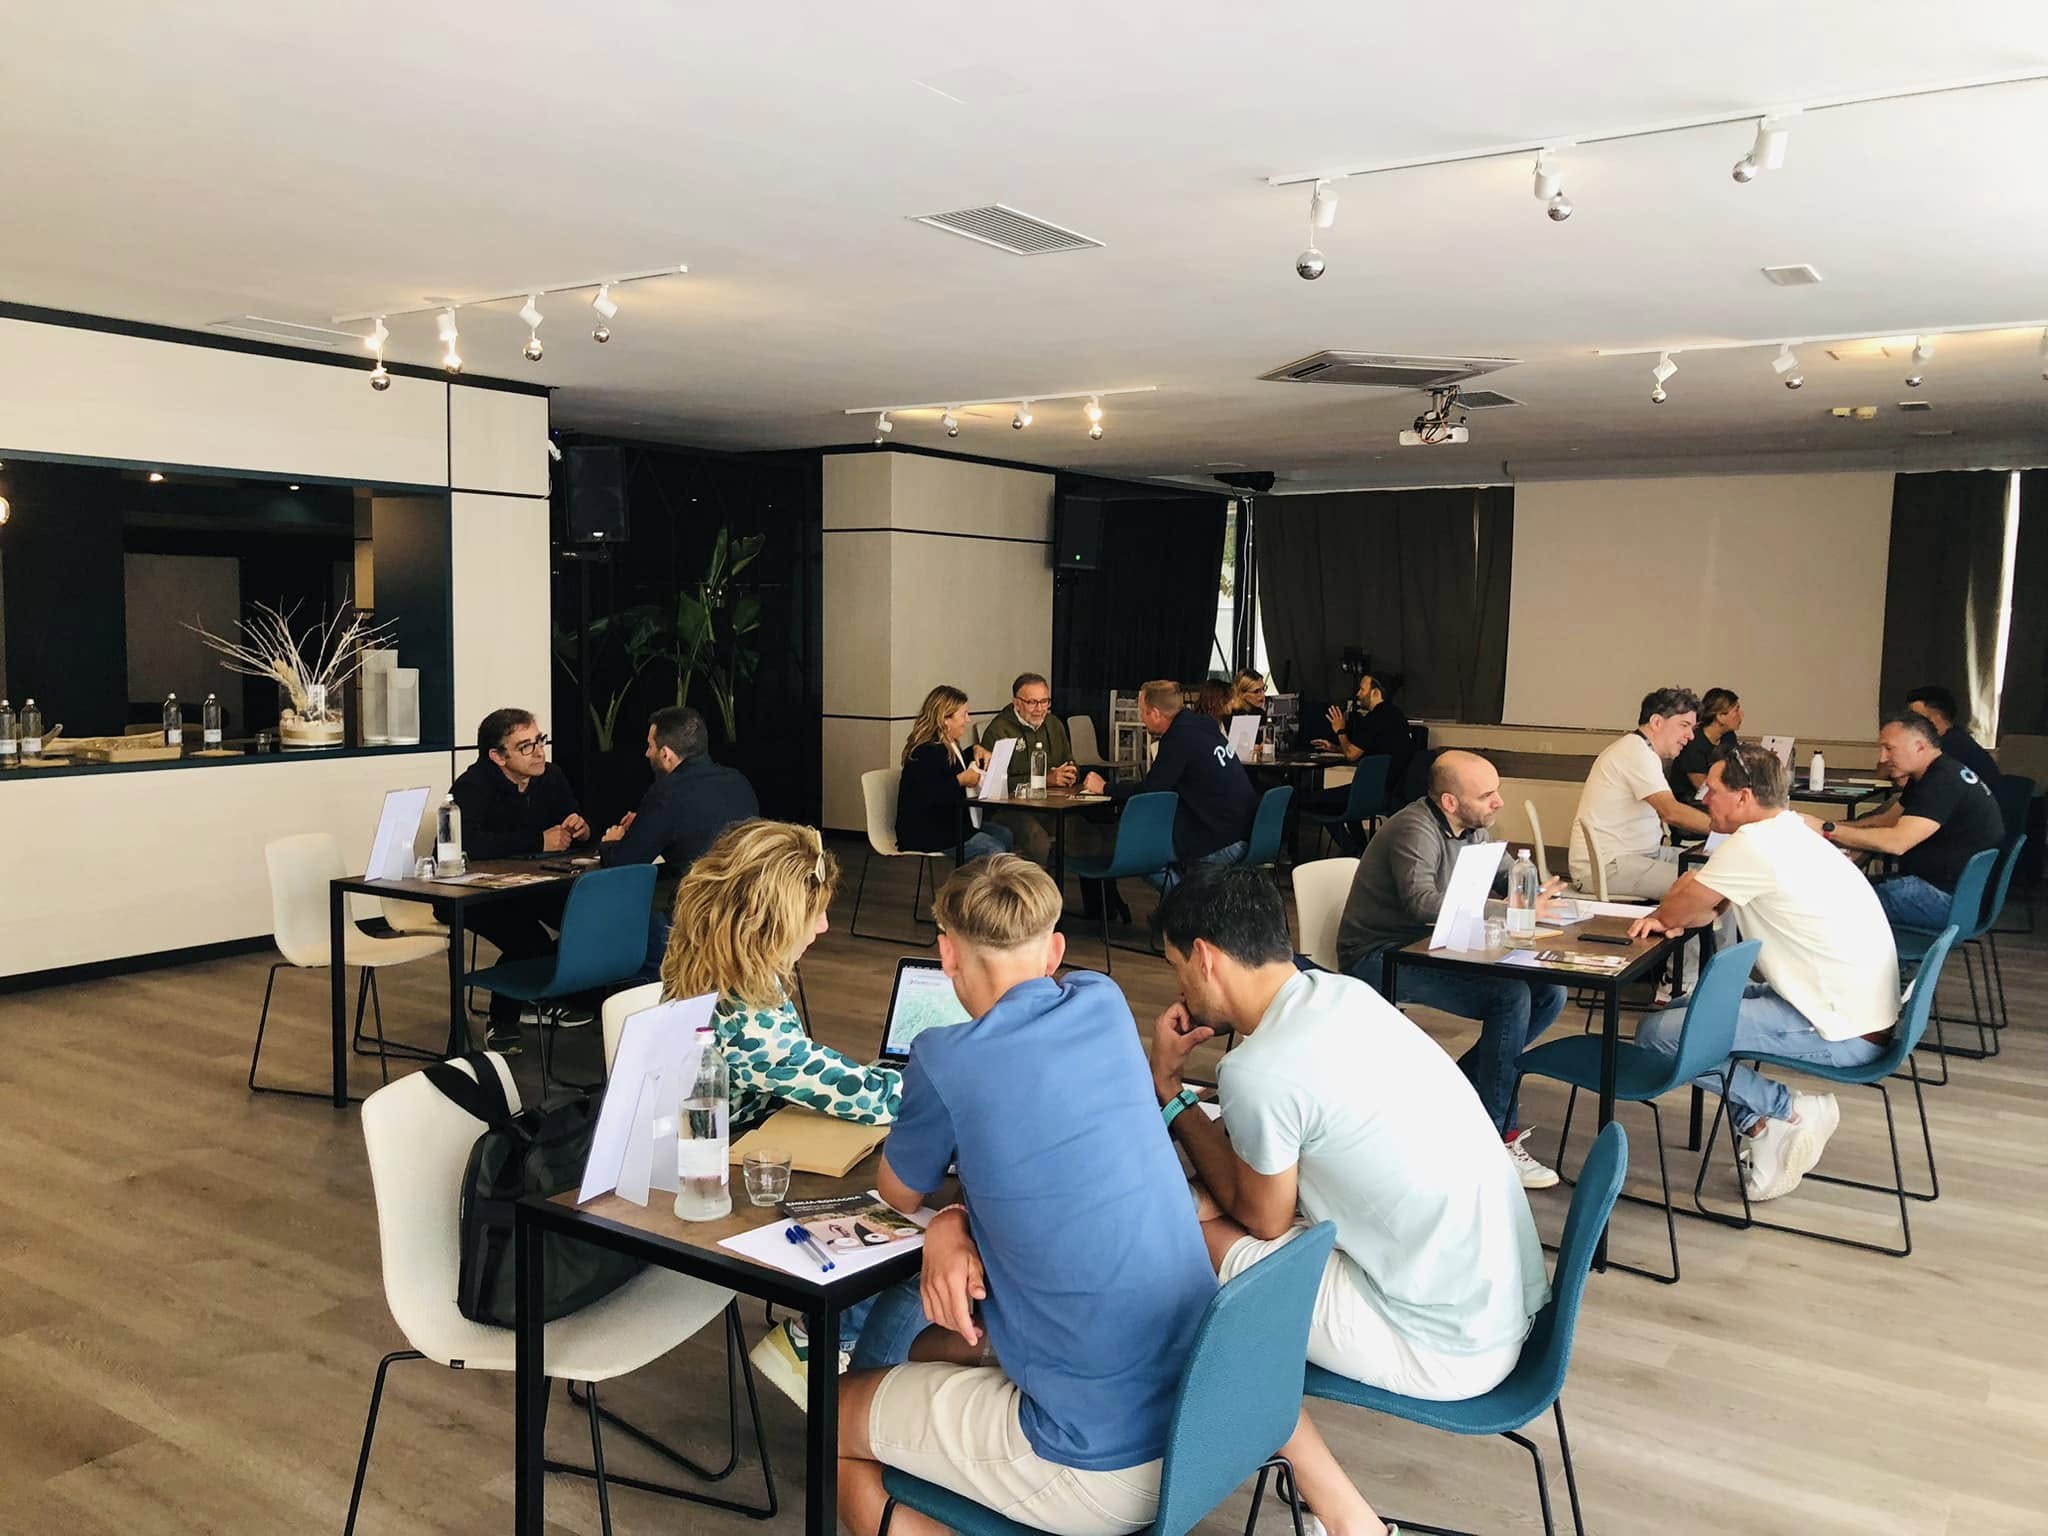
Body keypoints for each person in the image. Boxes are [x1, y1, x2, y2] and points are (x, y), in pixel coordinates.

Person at [835, 855, 1394, 1536]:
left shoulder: (944, 1055)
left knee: (834, 1422)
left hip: (1095, 1463)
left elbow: (898, 1192)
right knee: (942, 1346)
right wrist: (961, 1216)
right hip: (1206, 1420)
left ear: (947, 955)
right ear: (1055, 952)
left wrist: (950, 1214)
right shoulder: (1101, 1000)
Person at [1151, 866, 1550, 1401]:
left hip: (1442, 1347)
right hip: (1497, 1301)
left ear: (1204, 957)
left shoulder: (1258, 1069)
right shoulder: (1344, 994)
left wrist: (1169, 1089)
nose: (1179, 986)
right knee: (1212, 1200)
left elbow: (1264, 1221)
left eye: (1176, 966)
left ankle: (1217, 1401)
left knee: (1186, 1232)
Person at [653, 819, 906, 1401]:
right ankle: (817, 1344)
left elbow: (812, 1070)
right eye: (813, 913)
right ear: (768, 924)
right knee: (906, 1200)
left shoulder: (712, 968)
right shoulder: (749, 1027)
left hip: (726, 1148)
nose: (824, 926)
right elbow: (871, 1097)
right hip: (721, 1185)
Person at [1624, 744, 1894, 1199]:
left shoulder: (1753, 844)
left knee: (1657, 1035)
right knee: (1684, 1009)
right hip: (1851, 1010)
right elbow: (1702, 911)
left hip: (1839, 1029)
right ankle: (1761, 1125)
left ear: (1744, 797)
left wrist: (1685, 892)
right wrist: (1691, 901)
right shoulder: (1791, 830)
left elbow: (1676, 911)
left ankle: (1787, 1111)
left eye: (1714, 789)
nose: (1704, 797)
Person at [1334, 750, 1568, 1188]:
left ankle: (1460, 1089)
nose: (1498, 801)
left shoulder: (1472, 829)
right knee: (1510, 996)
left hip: (1431, 947)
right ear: (1450, 802)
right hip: (1380, 955)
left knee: (1549, 992)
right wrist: (1509, 908)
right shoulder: (1414, 829)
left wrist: (1531, 888)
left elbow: (1507, 874)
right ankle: (1496, 1140)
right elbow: (1421, 903)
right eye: (1487, 794)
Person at [448, 708, 589, 1051]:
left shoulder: (550, 776)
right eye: (526, 746)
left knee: (587, 922)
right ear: (498, 757)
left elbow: (572, 820)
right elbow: (467, 844)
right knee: (529, 940)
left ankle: (537, 996)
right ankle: (503, 1018)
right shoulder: (472, 786)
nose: (539, 752)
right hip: (477, 894)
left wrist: (581, 828)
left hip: (534, 886)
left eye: (540, 741)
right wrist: (539, 841)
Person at [599, 705, 759, 955]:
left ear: (665, 754)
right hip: (745, 918)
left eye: (650, 746)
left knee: (618, 924)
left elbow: (623, 863)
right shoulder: (739, 781)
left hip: (693, 925)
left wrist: (612, 841)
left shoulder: (668, 792)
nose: (646, 753)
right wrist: (645, 822)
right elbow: (696, 825)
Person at [1824, 711, 2004, 929]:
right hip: (1954, 894)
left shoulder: (1942, 782)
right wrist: (1830, 827)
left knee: (1828, 901)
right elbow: (1886, 821)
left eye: (1889, 749)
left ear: (1919, 746)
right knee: (1842, 890)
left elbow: (1896, 842)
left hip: (1946, 901)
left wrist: (1828, 830)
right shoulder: (1933, 773)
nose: (1882, 758)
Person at [1082, 679, 1255, 884]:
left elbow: (1150, 791)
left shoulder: (1178, 737)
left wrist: (1104, 787)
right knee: (1165, 840)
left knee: (1139, 853)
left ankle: (1185, 901)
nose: (1141, 718)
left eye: (1142, 711)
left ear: (1155, 713)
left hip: (1220, 841)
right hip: (1247, 832)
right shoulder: (1203, 724)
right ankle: (1190, 896)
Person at [1568, 686, 1712, 898]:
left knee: (1715, 867)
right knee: (1709, 885)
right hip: (1607, 866)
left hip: (1640, 855)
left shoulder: (1641, 750)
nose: (1690, 736)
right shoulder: (1635, 752)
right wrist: (1723, 830)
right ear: (1656, 722)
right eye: (1684, 725)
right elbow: (1671, 812)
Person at [896, 685, 1014, 862]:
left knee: (1004, 835)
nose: (968, 720)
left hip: (949, 823)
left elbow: (951, 767)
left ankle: (985, 877)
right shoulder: (925, 752)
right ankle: (981, 880)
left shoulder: (947, 745)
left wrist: (975, 750)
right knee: (993, 848)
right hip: (928, 831)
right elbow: (926, 795)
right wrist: (960, 781)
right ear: (945, 719)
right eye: (964, 714)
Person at [977, 672, 1079, 863]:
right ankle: (1034, 882)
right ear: (1017, 703)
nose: (1040, 709)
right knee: (1038, 841)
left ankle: (1065, 878)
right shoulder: (999, 730)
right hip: (1009, 810)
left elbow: (1070, 760)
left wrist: (1070, 773)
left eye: (1044, 701)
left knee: (1079, 833)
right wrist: (1044, 780)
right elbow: (993, 785)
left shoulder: (1054, 724)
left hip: (1051, 803)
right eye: (1032, 702)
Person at [1308, 671, 1413, 846]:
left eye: (1362, 689)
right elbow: (1361, 750)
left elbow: (1351, 754)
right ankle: (1360, 849)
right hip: (1393, 790)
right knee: (1344, 806)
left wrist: (1340, 730)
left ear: (1375, 693)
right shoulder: (1396, 715)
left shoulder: (1374, 719)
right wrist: (1334, 748)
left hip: (1370, 793)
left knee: (1314, 800)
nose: (1358, 694)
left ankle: (1350, 848)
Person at [1905, 685, 2001, 790]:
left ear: (1936, 718)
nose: (1911, 724)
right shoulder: (1953, 739)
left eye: (1916, 718)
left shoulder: (1953, 748)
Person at [1666, 686, 1742, 800]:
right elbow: (1702, 787)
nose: (1741, 715)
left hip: (1721, 796)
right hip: (1691, 800)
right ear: (1720, 716)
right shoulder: (1694, 741)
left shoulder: (1729, 737)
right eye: (1736, 710)